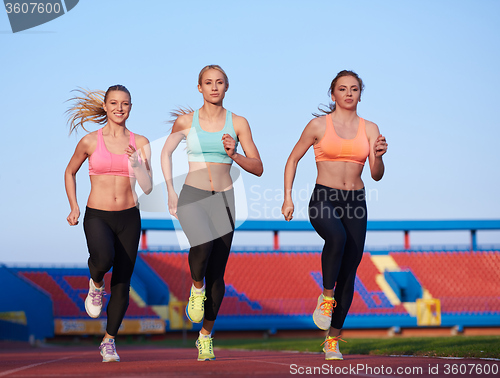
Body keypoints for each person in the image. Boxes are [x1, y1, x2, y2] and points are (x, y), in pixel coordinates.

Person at [281, 70, 387, 360]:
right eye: (343, 89)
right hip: (323, 197)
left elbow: (376, 175)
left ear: (360, 94)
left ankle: (332, 340)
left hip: (356, 200)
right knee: (336, 237)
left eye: (354, 89)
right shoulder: (318, 125)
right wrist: (288, 197)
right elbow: (293, 159)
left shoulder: (371, 128)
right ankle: (326, 298)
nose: (349, 93)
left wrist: (378, 156)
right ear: (333, 94)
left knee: (350, 272)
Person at [161, 65, 263, 361]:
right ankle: (196, 288)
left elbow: (258, 167)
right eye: (208, 83)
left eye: (219, 82)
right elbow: (165, 153)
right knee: (201, 246)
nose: (214, 87)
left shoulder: (239, 123)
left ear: (226, 87)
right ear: (199, 88)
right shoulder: (185, 121)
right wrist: (170, 190)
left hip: (225, 200)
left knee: (218, 274)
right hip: (192, 194)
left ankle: (205, 336)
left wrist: (234, 154)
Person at [64, 85, 152, 362]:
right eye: (114, 103)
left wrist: (138, 166)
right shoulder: (90, 141)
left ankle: (109, 341)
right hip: (98, 214)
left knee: (123, 283)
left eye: (125, 103)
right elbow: (70, 171)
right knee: (103, 259)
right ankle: (96, 282)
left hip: (129, 216)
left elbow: (147, 187)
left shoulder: (141, 142)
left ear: (130, 107)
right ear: (105, 106)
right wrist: (74, 206)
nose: (119, 108)